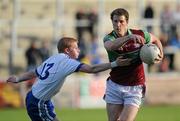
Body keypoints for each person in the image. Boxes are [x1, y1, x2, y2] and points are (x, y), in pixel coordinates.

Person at [6, 37, 131, 121]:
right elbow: (91, 69)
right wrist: (115, 64)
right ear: (67, 50)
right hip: (38, 102)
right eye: (76, 48)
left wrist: (17, 78)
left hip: (36, 97)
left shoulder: (53, 58)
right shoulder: (67, 62)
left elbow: (34, 72)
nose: (78, 50)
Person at [103, 8, 163, 121]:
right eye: (115, 21)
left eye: (121, 21)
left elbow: (156, 40)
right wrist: (129, 37)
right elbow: (110, 46)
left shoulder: (140, 34)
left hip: (135, 86)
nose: (118, 25)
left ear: (127, 22)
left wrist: (161, 54)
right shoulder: (109, 38)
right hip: (115, 85)